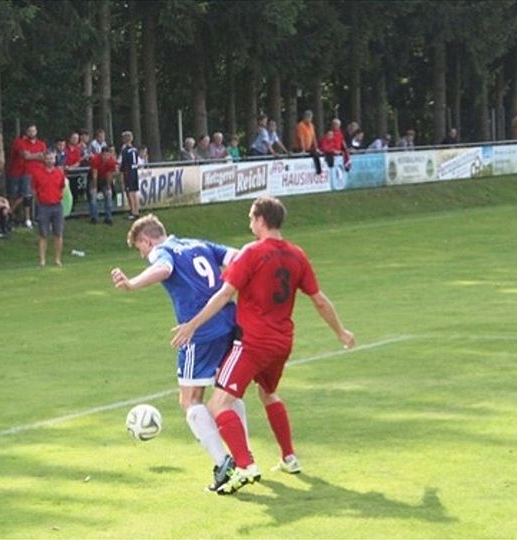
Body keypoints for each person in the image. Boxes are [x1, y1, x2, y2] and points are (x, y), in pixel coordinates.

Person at [171, 196, 355, 495]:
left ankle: (245, 465)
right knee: (268, 392)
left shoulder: (251, 253)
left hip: (252, 343)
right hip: (282, 343)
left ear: (260, 220)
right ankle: (289, 457)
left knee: (218, 404)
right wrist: (341, 332)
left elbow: (223, 295)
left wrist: (192, 324)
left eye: (250, 218)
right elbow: (319, 300)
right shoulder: (297, 255)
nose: (249, 224)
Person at [111, 214, 250, 492]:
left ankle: (224, 464)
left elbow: (162, 268)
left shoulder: (161, 251)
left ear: (146, 240)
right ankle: (246, 459)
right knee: (226, 392)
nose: (143, 254)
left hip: (198, 331)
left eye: (140, 249)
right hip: (229, 322)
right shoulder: (198, 243)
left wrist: (133, 284)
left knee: (189, 400)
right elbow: (238, 257)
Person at [30, 152, 66, 267]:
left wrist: (59, 197)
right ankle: (42, 260)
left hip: (57, 205)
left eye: (52, 158)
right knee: (43, 234)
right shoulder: (37, 173)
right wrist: (39, 200)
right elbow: (34, 190)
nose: (50, 160)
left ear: (55, 159)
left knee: (58, 233)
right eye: (48, 158)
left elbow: (62, 187)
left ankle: (57, 259)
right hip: (43, 206)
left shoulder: (59, 173)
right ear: (44, 159)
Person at [19, 124, 47, 229]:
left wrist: (32, 155)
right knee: (27, 196)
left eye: (33, 131)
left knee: (40, 195)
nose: (32, 133)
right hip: (28, 172)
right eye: (30, 131)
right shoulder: (23, 143)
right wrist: (37, 155)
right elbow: (26, 156)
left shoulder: (41, 144)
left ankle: (39, 217)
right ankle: (27, 218)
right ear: (27, 132)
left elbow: (44, 157)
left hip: (40, 172)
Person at [89, 145, 118, 225]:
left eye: (107, 155)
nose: (106, 157)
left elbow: (110, 175)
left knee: (109, 196)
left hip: (105, 179)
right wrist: (94, 186)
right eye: (104, 155)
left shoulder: (111, 161)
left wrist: (109, 187)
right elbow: (94, 174)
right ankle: (94, 217)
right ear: (101, 154)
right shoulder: (95, 159)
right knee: (93, 198)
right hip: (95, 178)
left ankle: (108, 218)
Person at [120, 131, 142, 220]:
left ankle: (132, 211)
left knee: (130, 192)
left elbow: (124, 163)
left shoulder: (125, 151)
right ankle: (137, 210)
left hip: (128, 172)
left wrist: (121, 170)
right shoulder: (135, 150)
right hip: (134, 171)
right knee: (134, 191)